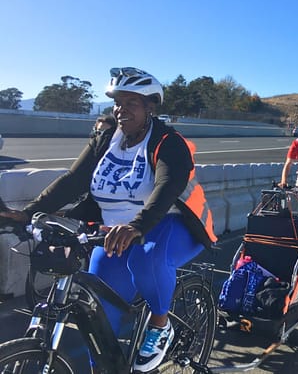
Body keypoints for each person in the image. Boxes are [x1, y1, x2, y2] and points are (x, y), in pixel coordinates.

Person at [0, 67, 218, 372]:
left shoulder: (169, 143)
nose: (121, 109)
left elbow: (167, 187)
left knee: (147, 259)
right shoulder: (107, 139)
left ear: (149, 107)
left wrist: (136, 226)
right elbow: (73, 180)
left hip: (169, 223)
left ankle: (160, 323)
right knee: (100, 315)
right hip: (115, 232)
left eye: (131, 103)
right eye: (118, 102)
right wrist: (29, 211)